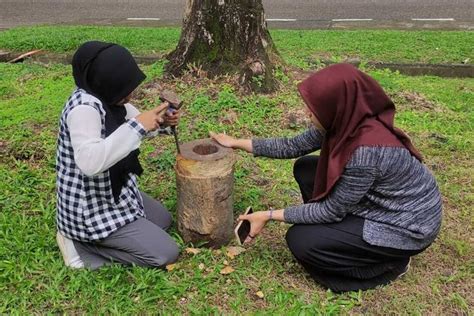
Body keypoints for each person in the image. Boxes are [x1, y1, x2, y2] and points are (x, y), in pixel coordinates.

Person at [210, 63, 442, 292]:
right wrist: (236, 143)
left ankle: (388, 265)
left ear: (336, 107)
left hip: (406, 226)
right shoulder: (347, 121)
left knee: (302, 241)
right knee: (307, 168)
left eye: (315, 108)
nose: (307, 113)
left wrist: (269, 215)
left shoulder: (365, 152)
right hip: (381, 205)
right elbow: (293, 145)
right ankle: (340, 236)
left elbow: (330, 210)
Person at [55, 41, 180, 270]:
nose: (130, 94)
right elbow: (90, 163)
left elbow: (133, 125)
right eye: (124, 88)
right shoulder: (84, 110)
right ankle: (81, 248)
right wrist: (139, 126)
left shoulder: (109, 99)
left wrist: (161, 123)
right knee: (166, 253)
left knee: (163, 220)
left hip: (115, 192)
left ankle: (109, 238)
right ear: (105, 83)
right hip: (90, 209)